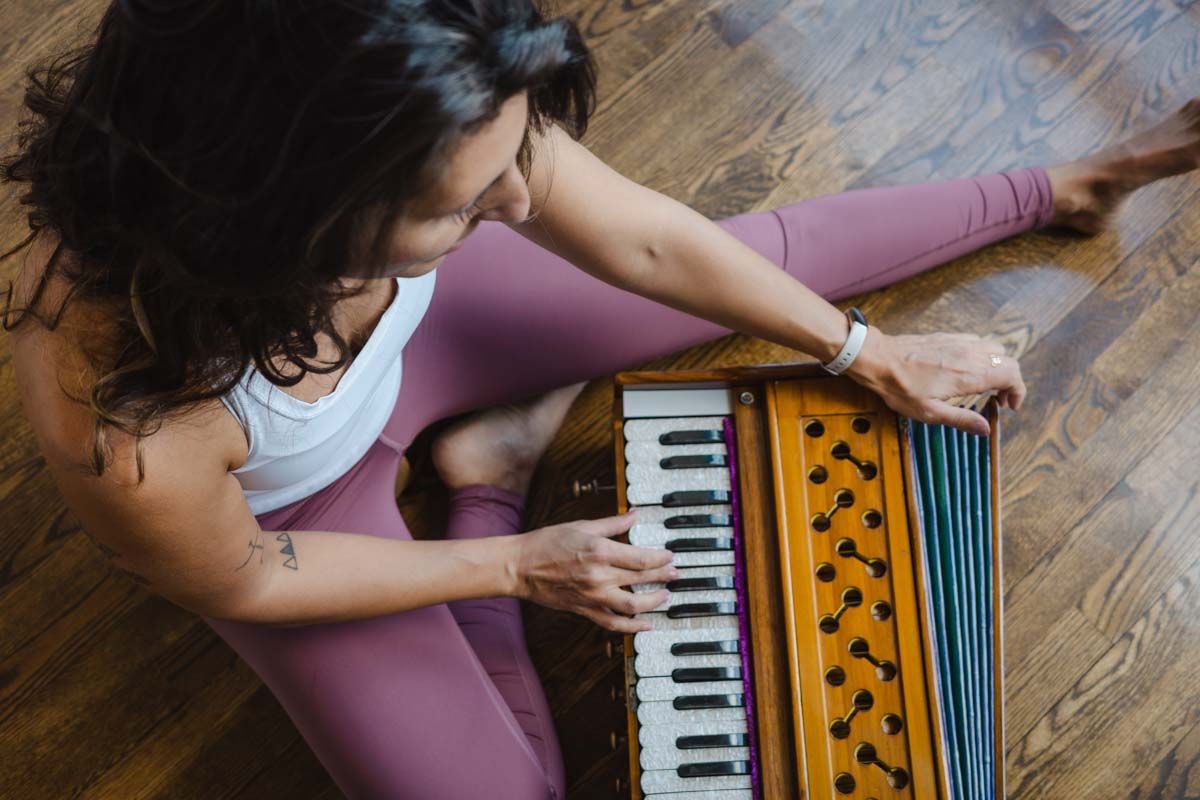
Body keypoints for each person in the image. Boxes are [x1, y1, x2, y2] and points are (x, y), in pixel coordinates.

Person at [4, 2, 1198, 798]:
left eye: (521, 157)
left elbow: (652, 244)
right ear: (289, 210)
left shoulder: (438, 101)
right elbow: (251, 574)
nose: (526, 206)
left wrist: (864, 353)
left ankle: (1070, 181)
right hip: (297, 504)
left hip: (429, 333)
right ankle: (487, 481)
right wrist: (516, 559)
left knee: (751, 259)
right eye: (468, 203)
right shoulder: (124, 417)